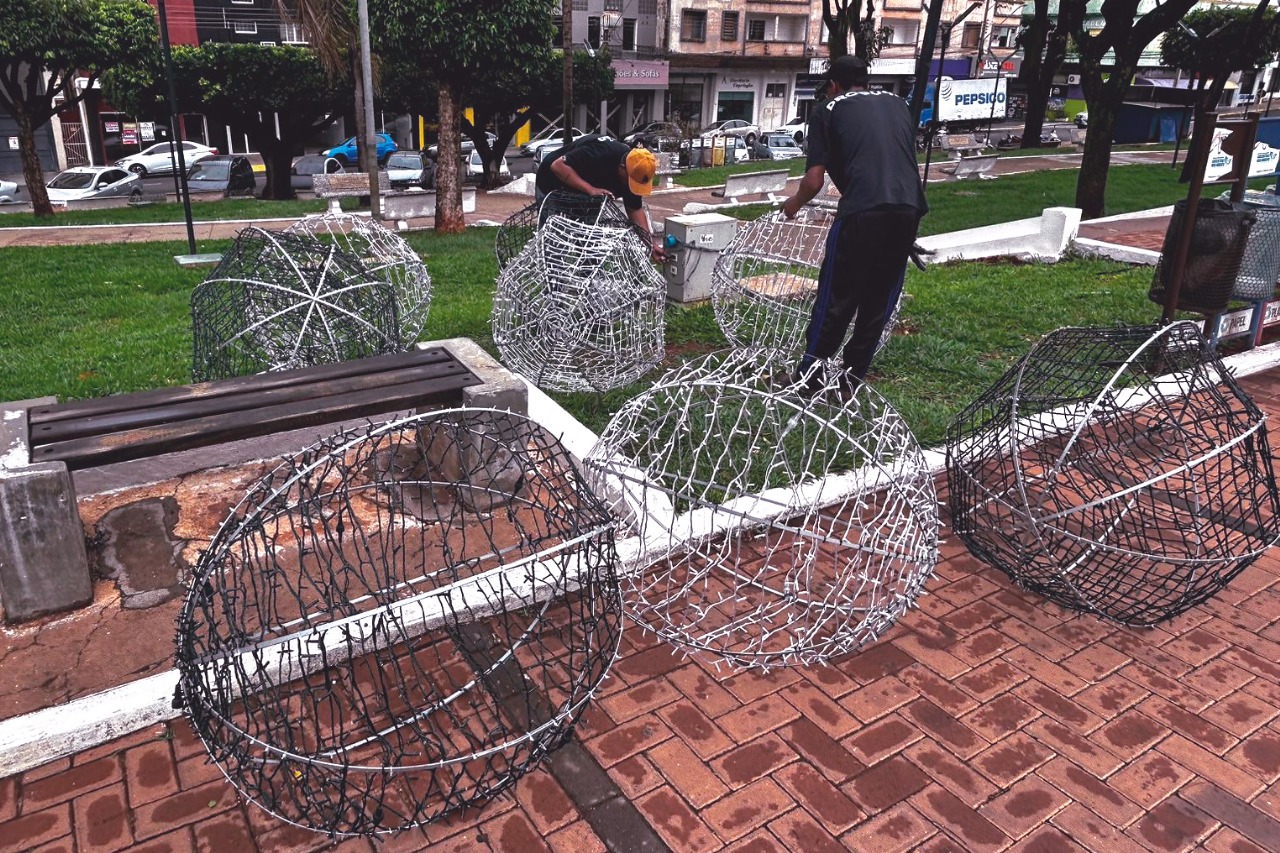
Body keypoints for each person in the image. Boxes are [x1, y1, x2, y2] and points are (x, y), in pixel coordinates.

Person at [781, 55, 928, 390]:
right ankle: (850, 381)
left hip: (862, 211)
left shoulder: (827, 110)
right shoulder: (898, 104)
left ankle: (809, 377)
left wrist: (793, 204)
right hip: (908, 208)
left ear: (833, 84)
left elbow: (814, 181)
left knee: (836, 297)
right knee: (877, 300)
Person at [535, 135, 663, 258]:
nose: (631, 187)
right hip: (553, 182)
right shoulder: (601, 152)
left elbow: (634, 209)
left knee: (590, 238)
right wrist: (590, 189)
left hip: (587, 193)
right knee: (554, 237)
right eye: (631, 181)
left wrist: (650, 243)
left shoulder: (635, 170)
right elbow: (557, 166)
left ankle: (587, 275)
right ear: (622, 167)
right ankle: (553, 274)